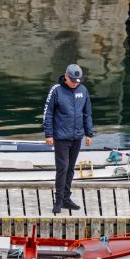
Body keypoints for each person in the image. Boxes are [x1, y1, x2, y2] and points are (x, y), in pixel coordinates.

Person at [43, 64, 93, 214]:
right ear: (66, 77)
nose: (75, 83)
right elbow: (48, 113)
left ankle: (66, 198)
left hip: (77, 136)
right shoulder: (56, 90)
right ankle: (58, 201)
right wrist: (48, 134)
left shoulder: (83, 90)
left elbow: (87, 113)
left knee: (70, 169)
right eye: (72, 80)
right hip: (60, 137)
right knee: (62, 168)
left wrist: (89, 133)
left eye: (78, 80)